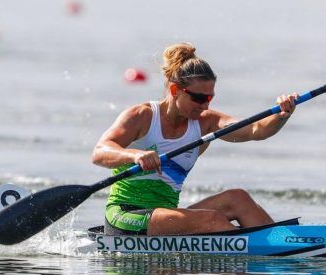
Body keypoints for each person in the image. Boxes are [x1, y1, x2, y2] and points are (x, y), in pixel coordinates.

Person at [92, 43, 297, 236]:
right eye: (199, 98)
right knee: (212, 220)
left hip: (166, 215)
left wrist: (282, 115)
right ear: (174, 90)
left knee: (238, 198)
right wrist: (135, 155)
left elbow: (255, 129)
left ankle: (286, 242)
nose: (205, 106)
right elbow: (100, 151)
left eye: (209, 98)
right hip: (126, 215)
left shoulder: (205, 123)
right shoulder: (142, 116)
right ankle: (269, 250)